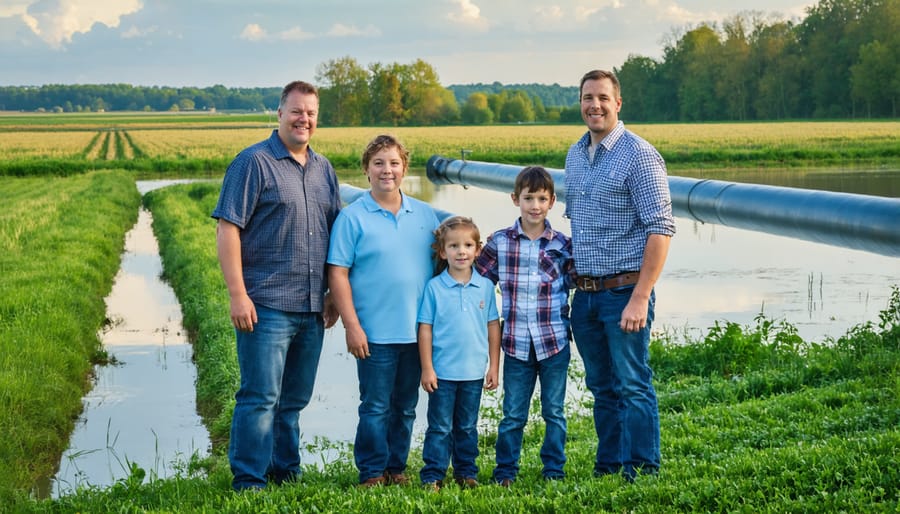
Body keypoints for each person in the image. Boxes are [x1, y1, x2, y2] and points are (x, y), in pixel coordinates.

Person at [211, 80, 341, 492]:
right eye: (297, 111)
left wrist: (333, 295)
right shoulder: (252, 163)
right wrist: (237, 294)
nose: (304, 119)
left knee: (293, 402)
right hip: (265, 304)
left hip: (311, 308)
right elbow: (228, 228)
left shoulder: (324, 170)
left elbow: (335, 234)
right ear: (280, 113)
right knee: (260, 397)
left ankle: (285, 473)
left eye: (311, 114)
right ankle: (249, 479)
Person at [564, 69, 676, 481]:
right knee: (602, 386)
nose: (594, 105)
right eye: (587, 97)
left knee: (632, 383)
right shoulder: (575, 155)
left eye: (602, 98)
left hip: (624, 290)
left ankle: (643, 468)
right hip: (587, 294)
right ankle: (609, 464)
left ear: (618, 103)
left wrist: (641, 296)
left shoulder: (640, 155)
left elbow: (660, 229)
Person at [327, 134, 440, 487]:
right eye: (378, 163)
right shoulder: (352, 218)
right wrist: (351, 326)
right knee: (375, 406)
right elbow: (338, 273)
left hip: (417, 332)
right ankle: (373, 471)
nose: (386, 170)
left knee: (405, 407)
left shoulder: (425, 214)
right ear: (366, 169)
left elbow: (441, 271)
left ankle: (397, 467)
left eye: (393, 163)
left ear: (404, 168)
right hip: (373, 332)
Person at [473, 166, 574, 487]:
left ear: (552, 201)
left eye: (542, 198)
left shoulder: (562, 245)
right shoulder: (500, 243)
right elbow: (476, 280)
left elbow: (577, 284)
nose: (535, 205)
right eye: (528, 198)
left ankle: (554, 470)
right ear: (515, 199)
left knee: (554, 412)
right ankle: (505, 472)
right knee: (513, 414)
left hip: (554, 342)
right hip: (515, 345)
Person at [418, 216, 501, 491]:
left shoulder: (486, 287)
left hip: (473, 372)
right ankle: (433, 474)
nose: (461, 251)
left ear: (478, 250)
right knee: (440, 427)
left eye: (467, 245)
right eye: (453, 246)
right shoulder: (434, 288)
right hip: (442, 373)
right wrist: (427, 368)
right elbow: (426, 329)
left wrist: (493, 366)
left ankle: (466, 472)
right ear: (443, 252)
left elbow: (492, 327)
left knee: (467, 426)